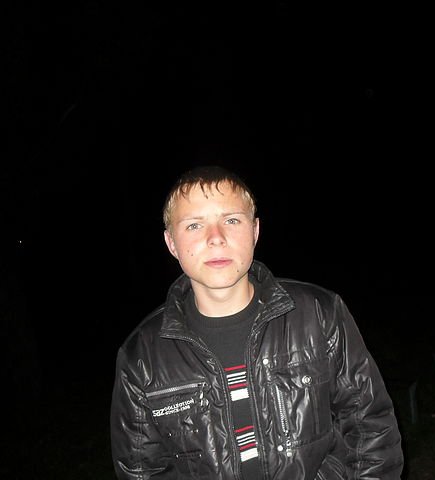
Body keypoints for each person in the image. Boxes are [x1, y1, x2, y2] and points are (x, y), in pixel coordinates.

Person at [110, 164, 404, 479]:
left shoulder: (319, 314)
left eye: (231, 220)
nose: (216, 238)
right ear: (171, 243)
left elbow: (370, 427)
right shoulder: (142, 355)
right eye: (194, 225)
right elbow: (141, 470)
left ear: (255, 231)